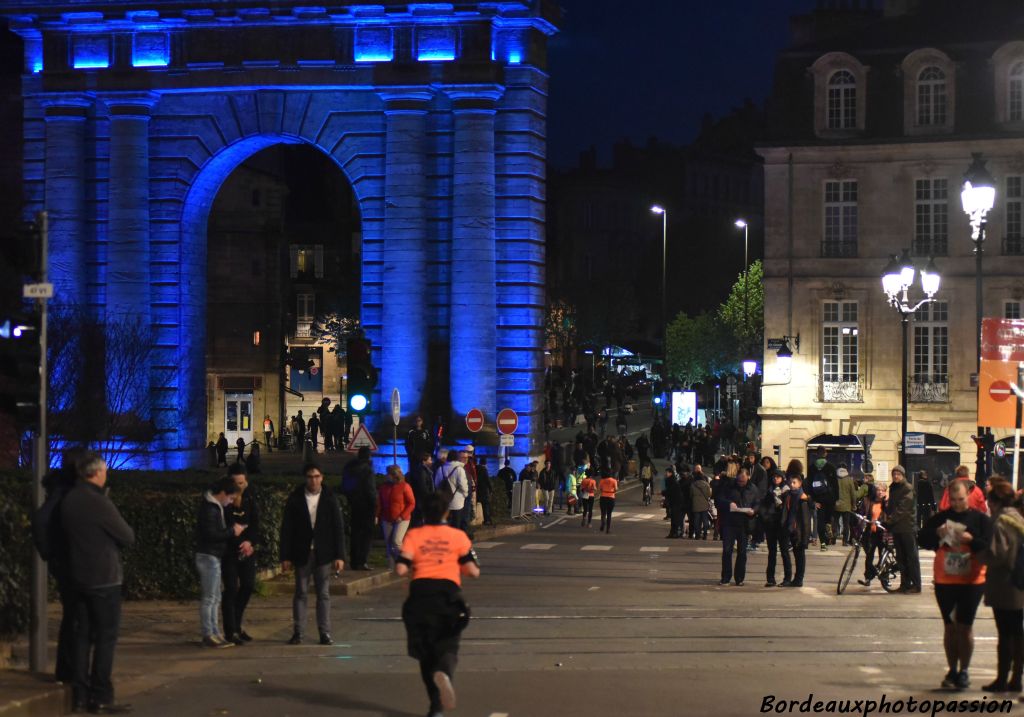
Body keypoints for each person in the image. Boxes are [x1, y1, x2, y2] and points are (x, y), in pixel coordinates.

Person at [61, 452, 135, 714]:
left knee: (82, 637)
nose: (106, 474)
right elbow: (127, 536)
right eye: (104, 471)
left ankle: (79, 695)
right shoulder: (99, 502)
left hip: (78, 576)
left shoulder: (69, 500)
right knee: (105, 638)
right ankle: (101, 695)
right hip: (104, 579)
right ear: (95, 473)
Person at [396, 493, 480, 717]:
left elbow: (401, 568)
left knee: (425, 653)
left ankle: (435, 704)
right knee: (448, 646)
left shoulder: (414, 535)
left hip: (420, 597)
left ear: (423, 512)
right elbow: (473, 571)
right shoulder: (458, 536)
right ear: (447, 513)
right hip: (448, 597)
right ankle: (443, 678)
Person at [917, 480, 993, 691]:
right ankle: (952, 669)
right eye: (954, 500)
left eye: (961, 499)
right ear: (948, 498)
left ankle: (964, 670)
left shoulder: (980, 520)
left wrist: (971, 539)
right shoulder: (941, 518)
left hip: (972, 580)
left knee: (965, 626)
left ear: (968, 495)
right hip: (945, 580)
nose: (958, 504)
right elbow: (922, 539)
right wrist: (937, 534)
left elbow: (989, 546)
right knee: (950, 628)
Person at [279, 463, 346, 645]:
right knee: (301, 592)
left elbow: (338, 528)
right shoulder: (296, 499)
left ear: (322, 477)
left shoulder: (330, 499)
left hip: (323, 553)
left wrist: (340, 556)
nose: (314, 480)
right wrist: (285, 556)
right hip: (302, 552)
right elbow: (287, 529)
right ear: (305, 478)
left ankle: (324, 632)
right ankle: (298, 632)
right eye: (310, 477)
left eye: (317, 476)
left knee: (323, 593)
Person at [982, 476, 1024, 693]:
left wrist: (978, 553)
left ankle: (1002, 679)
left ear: (995, 501)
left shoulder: (1001, 522)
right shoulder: (1018, 517)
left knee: (1006, 633)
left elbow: (998, 555)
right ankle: (1016, 678)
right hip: (1019, 581)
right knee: (1017, 633)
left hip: (1006, 584)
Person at [195, 477, 245, 648]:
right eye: (230, 498)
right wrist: (232, 531)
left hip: (213, 556)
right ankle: (209, 634)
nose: (230, 502)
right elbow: (211, 534)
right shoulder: (210, 508)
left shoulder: (214, 507)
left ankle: (214, 632)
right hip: (208, 556)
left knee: (215, 597)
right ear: (223, 494)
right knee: (210, 598)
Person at [223, 464, 259, 645]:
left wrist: (249, 542)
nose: (240, 486)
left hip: (247, 549)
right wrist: (239, 542)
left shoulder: (250, 497)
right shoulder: (226, 501)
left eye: (243, 483)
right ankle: (230, 630)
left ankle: (237, 624)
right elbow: (227, 527)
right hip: (230, 551)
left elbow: (255, 523)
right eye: (237, 483)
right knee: (230, 589)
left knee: (248, 585)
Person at [720, 467, 758, 586]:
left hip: (744, 523)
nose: (740, 482)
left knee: (742, 552)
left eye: (743, 480)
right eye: (739, 480)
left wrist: (754, 511)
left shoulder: (753, 489)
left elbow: (757, 503)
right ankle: (726, 577)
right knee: (727, 550)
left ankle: (739, 578)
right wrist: (729, 503)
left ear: (748, 477)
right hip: (729, 522)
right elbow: (719, 499)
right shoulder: (729, 486)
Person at [887, 465, 922, 593]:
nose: (896, 476)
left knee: (911, 557)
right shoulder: (893, 488)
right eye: (894, 474)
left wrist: (890, 521)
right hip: (897, 528)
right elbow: (891, 506)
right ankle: (905, 584)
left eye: (898, 474)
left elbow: (902, 509)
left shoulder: (907, 488)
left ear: (903, 475)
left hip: (907, 527)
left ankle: (916, 585)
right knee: (901, 558)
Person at [341, 446, 377, 570]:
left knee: (355, 533)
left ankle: (354, 561)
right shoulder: (367, 469)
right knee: (366, 535)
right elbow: (370, 490)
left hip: (354, 504)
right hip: (366, 506)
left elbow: (344, 485)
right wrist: (375, 507)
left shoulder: (349, 467)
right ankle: (362, 561)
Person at [377, 465, 415, 569]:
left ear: (394, 475)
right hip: (387, 518)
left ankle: (406, 560)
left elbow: (411, 503)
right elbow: (379, 502)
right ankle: (392, 565)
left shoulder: (405, 486)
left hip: (402, 518)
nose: (386, 476)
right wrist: (377, 515)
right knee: (389, 543)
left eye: (388, 474)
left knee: (396, 541)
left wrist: (402, 516)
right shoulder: (384, 487)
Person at [780, 473, 812, 587]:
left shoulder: (802, 498)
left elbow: (805, 520)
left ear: (800, 484)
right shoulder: (788, 495)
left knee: (799, 556)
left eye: (794, 483)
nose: (792, 485)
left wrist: (805, 537)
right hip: (789, 528)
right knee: (794, 554)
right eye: (791, 482)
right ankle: (793, 579)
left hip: (798, 531)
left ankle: (799, 579)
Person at [761, 469, 791, 587]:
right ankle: (770, 578)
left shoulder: (787, 491)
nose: (775, 479)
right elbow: (764, 506)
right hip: (771, 524)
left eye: (778, 477)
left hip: (782, 525)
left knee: (784, 552)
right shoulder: (769, 491)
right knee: (772, 552)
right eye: (774, 477)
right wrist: (766, 517)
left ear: (782, 478)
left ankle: (787, 578)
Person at [807, 450, 839, 550]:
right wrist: (836, 498)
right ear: (825, 454)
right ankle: (829, 525)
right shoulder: (831, 467)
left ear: (817, 454)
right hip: (830, 498)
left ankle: (823, 543)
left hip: (818, 499)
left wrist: (813, 500)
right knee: (828, 519)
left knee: (820, 520)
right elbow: (835, 484)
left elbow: (809, 485)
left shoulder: (812, 467)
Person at [435, 449, 470, 533]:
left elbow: (436, 484)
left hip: (444, 500)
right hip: (457, 500)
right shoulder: (459, 469)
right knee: (456, 524)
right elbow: (463, 485)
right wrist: (465, 494)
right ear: (457, 458)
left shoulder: (441, 468)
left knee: (445, 524)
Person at [857, 484, 886, 587]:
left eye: (882, 490)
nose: (880, 492)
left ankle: (884, 578)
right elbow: (862, 513)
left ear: (885, 492)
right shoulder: (869, 501)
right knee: (869, 556)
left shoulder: (887, 503)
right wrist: (863, 518)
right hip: (871, 533)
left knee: (883, 556)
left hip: (883, 533)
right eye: (878, 490)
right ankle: (868, 577)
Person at [409, 452, 435, 528]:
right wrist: (429, 497)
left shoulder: (423, 470)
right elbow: (423, 487)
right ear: (424, 461)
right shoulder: (422, 471)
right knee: (420, 518)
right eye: (430, 460)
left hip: (421, 499)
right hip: (422, 499)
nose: (431, 462)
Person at [835, 466, 857, 546]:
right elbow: (853, 494)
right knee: (846, 524)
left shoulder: (835, 480)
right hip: (847, 506)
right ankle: (845, 541)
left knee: (835, 522)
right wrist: (854, 505)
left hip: (836, 505)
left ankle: (833, 539)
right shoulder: (849, 480)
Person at [690, 466, 712, 540]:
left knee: (696, 520)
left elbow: (691, 494)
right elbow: (709, 495)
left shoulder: (693, 485)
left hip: (695, 504)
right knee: (705, 520)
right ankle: (705, 534)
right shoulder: (706, 485)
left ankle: (697, 535)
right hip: (704, 504)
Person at [662, 465, 685, 539]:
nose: (666, 474)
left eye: (667, 472)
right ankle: (672, 533)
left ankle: (675, 533)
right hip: (674, 502)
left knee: (675, 518)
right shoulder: (671, 480)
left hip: (676, 502)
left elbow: (670, 491)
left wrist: (664, 493)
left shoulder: (672, 481)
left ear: (671, 473)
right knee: (673, 518)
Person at [476, 457, 493, 525]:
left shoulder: (476, 468)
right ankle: (487, 520)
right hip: (484, 490)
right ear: (485, 463)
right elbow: (487, 480)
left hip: (478, 489)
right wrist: (490, 488)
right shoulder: (484, 469)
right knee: (486, 505)